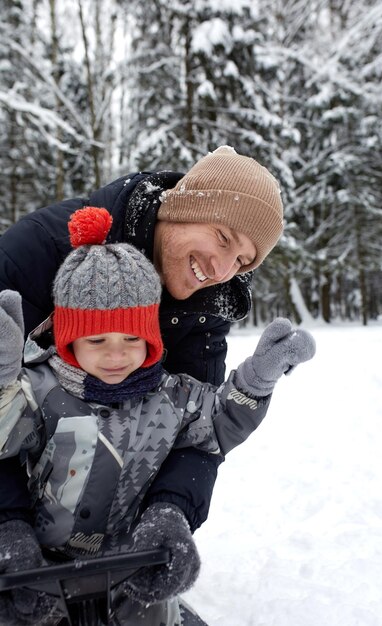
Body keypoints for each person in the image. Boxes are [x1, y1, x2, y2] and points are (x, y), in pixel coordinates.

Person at [0, 207, 315, 625]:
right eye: (97, 339)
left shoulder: (173, 395)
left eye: (132, 337)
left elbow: (218, 426)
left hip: (133, 560)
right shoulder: (39, 391)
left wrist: (256, 381)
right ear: (69, 339)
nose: (116, 354)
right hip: (39, 564)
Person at [0, 146, 285, 542]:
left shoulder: (204, 312)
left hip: (105, 538)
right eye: (223, 238)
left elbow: (200, 434)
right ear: (181, 208)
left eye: (242, 261)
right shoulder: (42, 249)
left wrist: (169, 516)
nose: (222, 270)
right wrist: (8, 526)